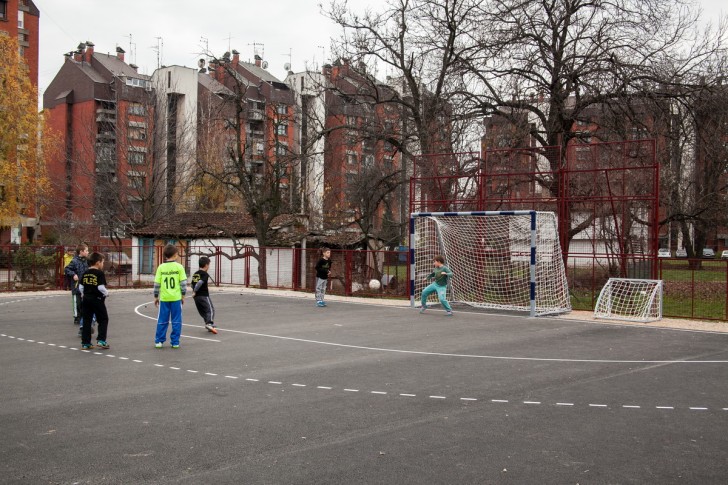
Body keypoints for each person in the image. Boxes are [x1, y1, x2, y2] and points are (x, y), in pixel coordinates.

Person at [153, 244, 187, 349]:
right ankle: (175, 342)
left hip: (164, 298)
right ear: (175, 255)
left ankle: (159, 341)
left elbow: (157, 284)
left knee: (162, 320)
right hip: (176, 298)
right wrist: (183, 295)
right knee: (176, 320)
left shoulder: (161, 267)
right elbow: (183, 283)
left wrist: (155, 296)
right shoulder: (179, 267)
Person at [79, 252, 110, 350]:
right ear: (97, 262)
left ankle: (86, 343)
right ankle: (101, 340)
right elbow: (100, 287)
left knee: (87, 321)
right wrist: (107, 293)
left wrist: (84, 294)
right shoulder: (99, 273)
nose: (102, 264)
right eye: (102, 262)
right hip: (97, 299)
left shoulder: (85, 273)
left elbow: (81, 287)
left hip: (86, 299)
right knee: (103, 319)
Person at [64, 243, 89, 330]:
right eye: (86, 251)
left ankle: (83, 316)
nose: (88, 252)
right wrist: (73, 274)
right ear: (81, 252)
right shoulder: (74, 261)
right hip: (76, 286)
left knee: (84, 302)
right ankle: (76, 317)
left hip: (85, 285)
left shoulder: (87, 261)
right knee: (77, 302)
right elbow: (67, 269)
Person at [191, 256, 217, 334]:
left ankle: (208, 324)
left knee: (203, 311)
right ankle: (209, 323)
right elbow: (200, 283)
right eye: (209, 264)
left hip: (196, 297)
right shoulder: (204, 274)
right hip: (203, 295)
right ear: (206, 265)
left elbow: (192, 284)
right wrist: (195, 291)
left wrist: (194, 292)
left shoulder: (195, 274)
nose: (209, 266)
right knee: (210, 309)